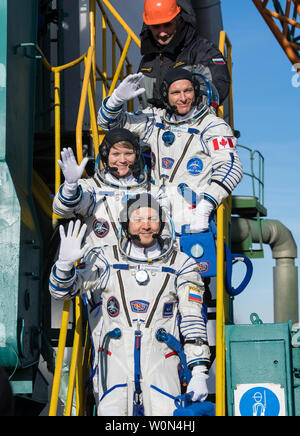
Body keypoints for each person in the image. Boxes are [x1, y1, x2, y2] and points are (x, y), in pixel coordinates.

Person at [49, 194, 210, 416]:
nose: (145, 225)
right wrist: (64, 266)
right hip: (114, 363)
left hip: (162, 362)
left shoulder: (181, 264)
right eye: (138, 219)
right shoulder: (106, 259)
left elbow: (192, 318)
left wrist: (200, 370)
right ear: (126, 223)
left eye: (152, 218)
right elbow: (61, 291)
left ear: (162, 222)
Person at [97, 68, 243, 235]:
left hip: (193, 221)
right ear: (166, 95)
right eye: (176, 92)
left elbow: (231, 167)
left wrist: (205, 206)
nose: (183, 98)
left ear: (195, 92)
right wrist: (116, 100)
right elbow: (108, 125)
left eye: (187, 91)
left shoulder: (212, 125)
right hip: (156, 221)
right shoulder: (155, 120)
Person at [53, 127, 168, 247]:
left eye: (128, 153)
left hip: (140, 262)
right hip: (101, 263)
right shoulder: (92, 188)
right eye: (116, 154)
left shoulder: (154, 192)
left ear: (137, 155)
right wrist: (70, 187)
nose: (122, 160)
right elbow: (62, 211)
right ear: (105, 155)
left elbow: (166, 233)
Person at [137, 0, 231, 109]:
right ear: (148, 26)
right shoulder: (147, 60)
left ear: (179, 20)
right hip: (153, 124)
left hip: (194, 124)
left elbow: (219, 85)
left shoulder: (203, 51)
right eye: (156, 26)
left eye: (167, 25)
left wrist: (186, 109)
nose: (162, 33)